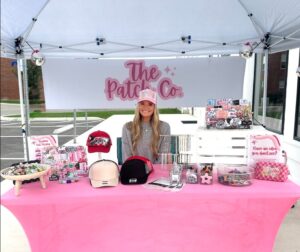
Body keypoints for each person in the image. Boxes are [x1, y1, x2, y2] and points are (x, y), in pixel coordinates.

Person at [122, 89, 171, 164]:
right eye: (142, 103)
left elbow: (163, 156)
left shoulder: (164, 127)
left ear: (155, 107)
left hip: (157, 172)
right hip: (134, 171)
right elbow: (127, 156)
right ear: (138, 106)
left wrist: (152, 171)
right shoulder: (127, 127)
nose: (146, 107)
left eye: (150, 104)